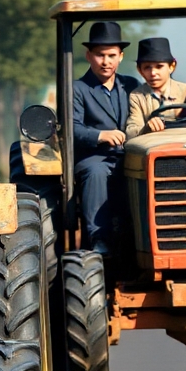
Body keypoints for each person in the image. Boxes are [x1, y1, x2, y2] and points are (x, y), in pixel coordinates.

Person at [73, 20, 139, 255]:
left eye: (111, 55)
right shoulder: (77, 89)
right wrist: (101, 135)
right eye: (100, 55)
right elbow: (72, 129)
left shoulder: (131, 85)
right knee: (97, 172)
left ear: (121, 56)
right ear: (88, 55)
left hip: (129, 155)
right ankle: (99, 241)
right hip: (94, 158)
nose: (106, 61)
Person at [125, 37, 186, 138]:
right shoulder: (137, 96)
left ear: (172, 66)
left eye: (159, 66)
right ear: (139, 70)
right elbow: (130, 132)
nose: (153, 73)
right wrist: (146, 128)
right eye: (147, 67)